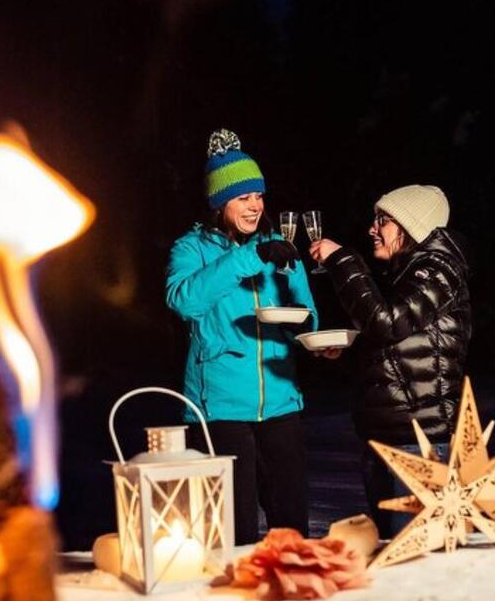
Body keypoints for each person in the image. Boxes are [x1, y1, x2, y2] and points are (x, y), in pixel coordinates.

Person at [166, 129, 318, 545]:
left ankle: (293, 600)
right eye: (243, 197)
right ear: (219, 203)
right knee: (232, 531)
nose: (255, 206)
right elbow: (182, 300)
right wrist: (249, 257)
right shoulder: (191, 248)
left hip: (281, 401)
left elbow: (305, 310)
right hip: (221, 408)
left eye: (259, 196)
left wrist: (315, 336)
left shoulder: (278, 246)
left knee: (292, 529)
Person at [309, 184, 471, 538]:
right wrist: (351, 350)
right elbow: (401, 346)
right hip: (388, 436)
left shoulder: (436, 269)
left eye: (383, 220)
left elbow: (388, 322)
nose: (372, 228)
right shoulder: (407, 271)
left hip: (421, 443)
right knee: (390, 553)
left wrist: (342, 260)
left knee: (416, 564)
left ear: (410, 226)